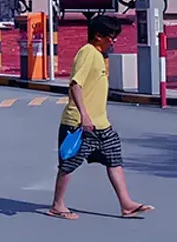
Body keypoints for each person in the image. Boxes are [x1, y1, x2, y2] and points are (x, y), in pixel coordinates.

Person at [46, 13, 153, 220]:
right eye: (110, 37)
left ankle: (126, 204)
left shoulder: (99, 55)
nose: (113, 41)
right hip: (79, 122)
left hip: (101, 124)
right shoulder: (88, 53)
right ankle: (57, 205)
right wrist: (84, 115)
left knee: (114, 159)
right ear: (97, 35)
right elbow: (76, 84)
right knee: (69, 163)